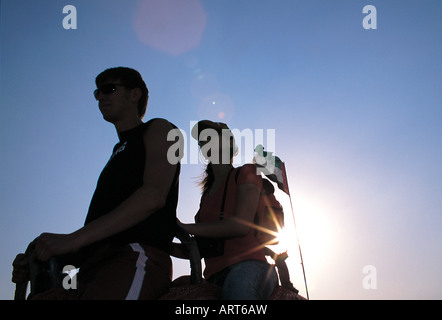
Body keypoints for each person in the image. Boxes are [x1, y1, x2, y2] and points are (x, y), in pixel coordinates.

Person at [12, 67, 182, 300]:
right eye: (97, 93)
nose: (100, 97)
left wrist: (72, 239)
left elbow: (154, 196)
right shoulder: (115, 154)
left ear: (135, 94)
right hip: (90, 270)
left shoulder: (162, 129)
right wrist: (43, 255)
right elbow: (98, 235)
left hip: (134, 257)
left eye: (108, 89)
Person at [178, 120, 278, 300]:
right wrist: (159, 239)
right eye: (202, 140)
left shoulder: (248, 172)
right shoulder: (206, 195)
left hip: (251, 267)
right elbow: (198, 248)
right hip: (213, 277)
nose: (204, 142)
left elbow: (240, 226)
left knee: (238, 289)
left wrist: (183, 227)